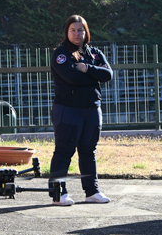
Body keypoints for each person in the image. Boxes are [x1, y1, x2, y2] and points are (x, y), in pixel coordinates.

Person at [48, 15, 113, 206]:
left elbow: (108, 74)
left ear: (86, 32)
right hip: (68, 110)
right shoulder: (61, 54)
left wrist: (87, 68)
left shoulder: (94, 53)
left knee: (88, 151)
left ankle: (92, 192)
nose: (77, 34)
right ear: (67, 32)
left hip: (92, 109)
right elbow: (71, 78)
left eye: (80, 30)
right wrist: (94, 75)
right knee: (63, 151)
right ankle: (59, 194)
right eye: (73, 30)